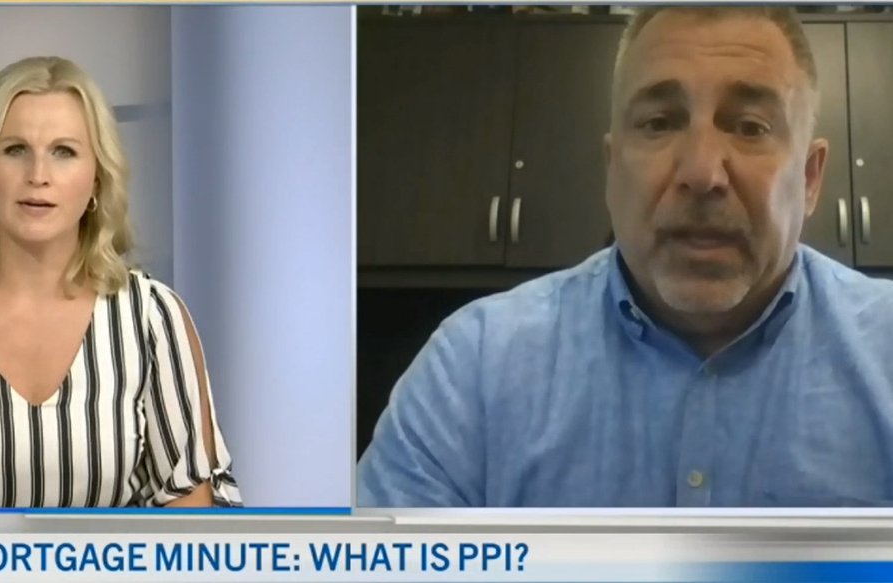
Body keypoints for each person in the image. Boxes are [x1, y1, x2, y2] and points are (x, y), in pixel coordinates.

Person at [357, 6, 893, 507]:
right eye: (659, 123)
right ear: (612, 169)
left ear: (810, 177)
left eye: (750, 126)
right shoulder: (472, 370)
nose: (702, 173)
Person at [0, 56, 242, 508]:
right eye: (15, 149)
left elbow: (189, 511)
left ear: (97, 179)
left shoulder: (153, 317)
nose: (38, 175)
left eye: (64, 152)